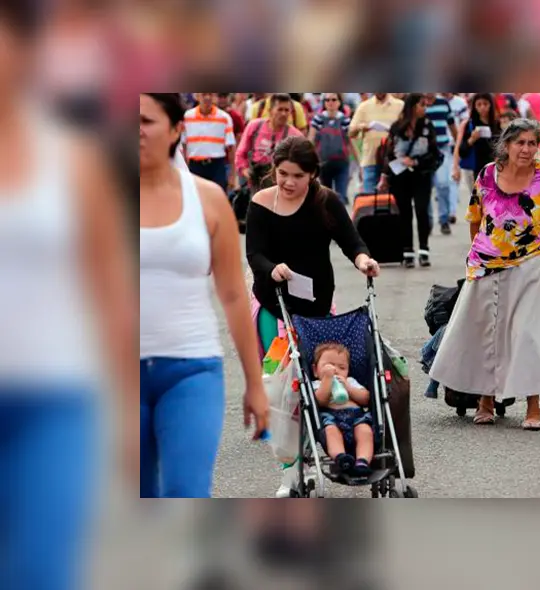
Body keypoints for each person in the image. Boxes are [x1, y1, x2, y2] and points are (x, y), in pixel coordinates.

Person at [1, 5, 134, 584]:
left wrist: (128, 411)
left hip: (53, 398)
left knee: (41, 571)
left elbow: (109, 287)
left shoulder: (73, 161)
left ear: (27, 54)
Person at [140, 93, 270, 498]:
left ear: (177, 130)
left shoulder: (208, 199)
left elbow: (233, 294)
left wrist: (255, 383)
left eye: (144, 121)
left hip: (191, 369)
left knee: (186, 491)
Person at [430, 119, 540, 431]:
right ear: (506, 145)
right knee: (487, 332)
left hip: (532, 260)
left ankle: (533, 405)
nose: (527, 150)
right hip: (487, 262)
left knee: (529, 333)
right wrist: (474, 253)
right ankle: (486, 400)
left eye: (532, 143)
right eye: (520, 143)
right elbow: (475, 218)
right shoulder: (488, 174)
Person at [246, 135, 381, 358]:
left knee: (320, 373)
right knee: (276, 374)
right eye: (283, 174)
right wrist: (272, 269)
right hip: (272, 301)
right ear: (274, 169)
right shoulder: (261, 202)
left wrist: (363, 261)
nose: (289, 182)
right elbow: (254, 253)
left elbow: (352, 242)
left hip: (317, 303)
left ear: (312, 174)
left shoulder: (327, 201)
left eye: (298, 176)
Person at [376, 93, 443, 268]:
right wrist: (385, 176)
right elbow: (388, 154)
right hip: (400, 176)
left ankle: (424, 250)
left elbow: (434, 153)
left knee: (422, 210)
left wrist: (416, 161)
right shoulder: (397, 127)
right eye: (422, 105)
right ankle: (407, 251)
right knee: (404, 212)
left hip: (421, 175)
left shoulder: (427, 126)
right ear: (412, 106)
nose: (425, 108)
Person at [312, 342, 374, 477]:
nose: (335, 370)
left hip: (357, 416)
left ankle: (363, 461)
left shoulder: (350, 381)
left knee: (365, 432)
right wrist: (327, 380)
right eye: (328, 366)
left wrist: (349, 388)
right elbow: (320, 401)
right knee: (330, 431)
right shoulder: (317, 384)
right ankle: (341, 458)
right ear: (315, 370)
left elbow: (366, 398)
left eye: (342, 367)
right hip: (332, 418)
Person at [235, 93, 304, 196]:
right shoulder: (254, 126)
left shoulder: (295, 135)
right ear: (270, 111)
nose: (284, 114)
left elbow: (304, 163)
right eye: (280, 110)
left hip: (281, 188)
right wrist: (245, 171)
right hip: (255, 184)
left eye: (286, 110)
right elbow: (240, 153)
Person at [349, 93, 404, 194]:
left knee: (395, 201)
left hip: (394, 161)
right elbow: (351, 132)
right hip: (370, 160)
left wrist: (393, 130)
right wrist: (365, 126)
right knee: (369, 201)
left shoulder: (400, 105)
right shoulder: (364, 106)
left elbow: (406, 129)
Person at [307, 93, 357, 205]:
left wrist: (359, 164)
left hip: (342, 164)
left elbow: (351, 143)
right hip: (323, 164)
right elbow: (311, 140)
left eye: (334, 99)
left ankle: (340, 221)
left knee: (341, 198)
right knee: (325, 197)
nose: (330, 102)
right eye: (327, 100)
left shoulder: (345, 120)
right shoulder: (318, 119)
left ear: (339, 102)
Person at [182, 93, 237, 192]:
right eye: (203, 94)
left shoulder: (224, 117)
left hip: (217, 166)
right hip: (195, 166)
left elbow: (231, 147)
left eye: (210, 94)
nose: (207, 97)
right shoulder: (187, 117)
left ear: (215, 97)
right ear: (197, 96)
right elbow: (183, 145)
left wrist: (232, 174)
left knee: (218, 201)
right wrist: (184, 169)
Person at [423, 93, 460, 235]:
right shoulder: (419, 104)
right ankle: (428, 221)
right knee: (425, 188)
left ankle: (444, 220)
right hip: (424, 152)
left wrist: (458, 147)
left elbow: (452, 126)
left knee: (443, 184)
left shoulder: (443, 104)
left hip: (442, 150)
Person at [452, 93, 501, 194]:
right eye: (479, 104)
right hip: (474, 169)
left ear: (490, 105)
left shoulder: (497, 124)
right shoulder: (469, 125)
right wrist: (472, 139)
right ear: (474, 107)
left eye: (485, 104)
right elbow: (461, 150)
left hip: (494, 169)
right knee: (478, 202)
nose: (482, 107)